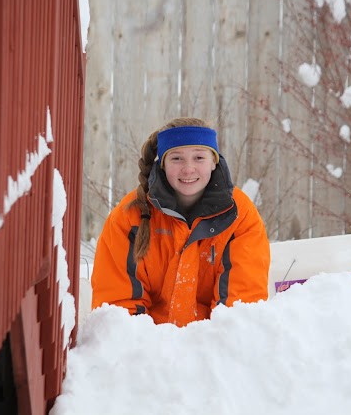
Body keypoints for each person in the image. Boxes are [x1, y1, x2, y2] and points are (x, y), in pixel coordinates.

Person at [91, 117, 270, 327]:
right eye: (176, 158)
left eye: (199, 157)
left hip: (215, 342)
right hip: (148, 341)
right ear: (162, 164)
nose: (188, 169)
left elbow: (239, 309)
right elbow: (119, 308)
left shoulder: (239, 216)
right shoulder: (129, 218)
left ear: (214, 162)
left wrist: (207, 345)